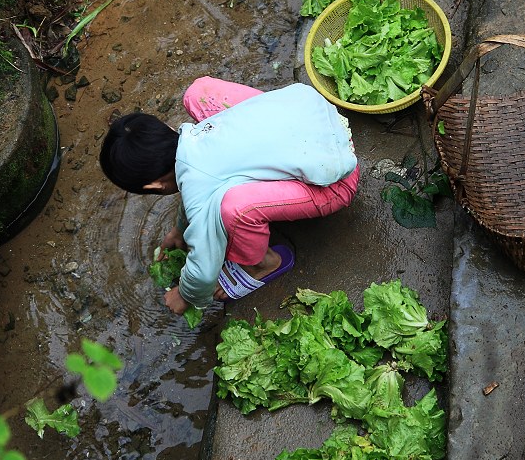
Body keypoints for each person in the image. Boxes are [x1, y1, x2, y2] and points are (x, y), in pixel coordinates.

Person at [99, 76, 359, 316]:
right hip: (322, 117)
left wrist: (185, 295)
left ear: (154, 186)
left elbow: (203, 268)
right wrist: (179, 230)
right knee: (198, 93)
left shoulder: (199, 192)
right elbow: (198, 188)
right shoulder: (194, 137)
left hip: (338, 182)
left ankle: (263, 264)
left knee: (234, 208)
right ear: (165, 128)